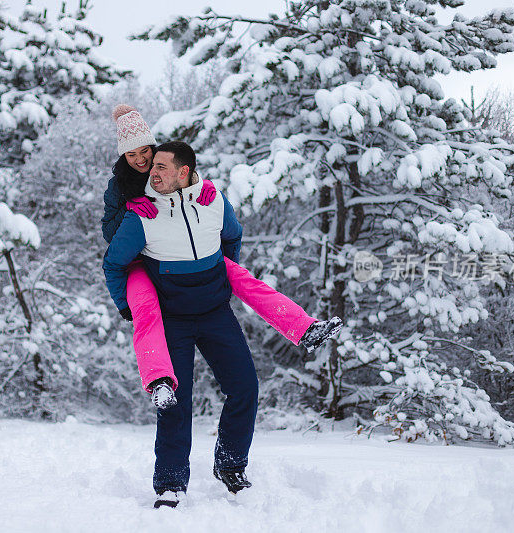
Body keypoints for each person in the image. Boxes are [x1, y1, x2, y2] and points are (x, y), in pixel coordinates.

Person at [103, 140, 341, 508]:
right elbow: (114, 263)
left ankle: (231, 466)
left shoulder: (213, 201)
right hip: (172, 319)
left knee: (245, 387)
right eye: (154, 167)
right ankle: (170, 482)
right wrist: (127, 306)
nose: (153, 172)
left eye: (162, 167)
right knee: (175, 403)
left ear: (184, 172)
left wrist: (220, 274)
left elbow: (232, 236)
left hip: (215, 312)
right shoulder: (141, 216)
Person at [102, 105, 342, 413]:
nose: (140, 159)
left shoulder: (163, 164)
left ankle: (305, 328)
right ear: (123, 156)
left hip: (190, 254)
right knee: (146, 311)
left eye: (144, 150)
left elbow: (188, 181)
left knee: (247, 281)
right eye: (131, 154)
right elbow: (110, 233)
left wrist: (201, 190)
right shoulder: (118, 185)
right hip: (140, 261)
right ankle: (159, 380)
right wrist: (130, 210)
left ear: (152, 146)